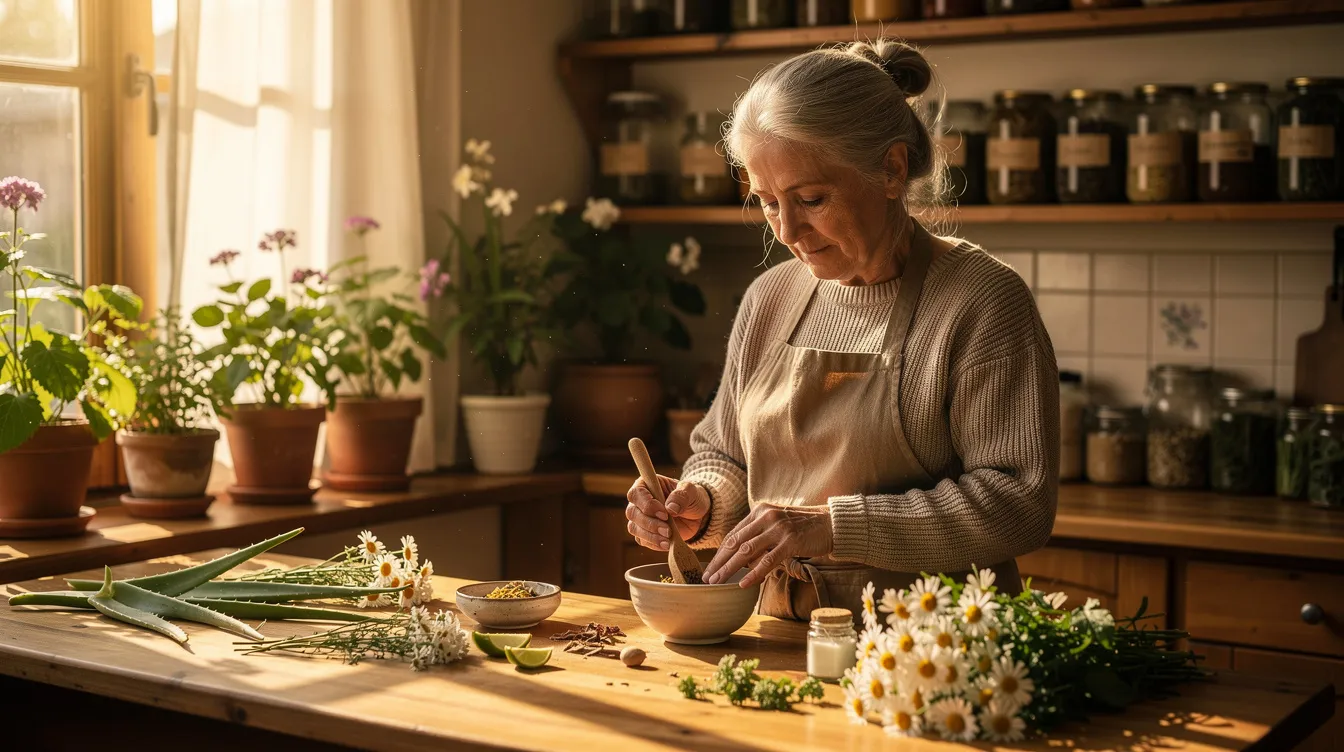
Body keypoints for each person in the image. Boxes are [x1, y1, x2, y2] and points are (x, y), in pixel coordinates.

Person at [625, 39, 1059, 620]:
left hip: (928, 650)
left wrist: (833, 527)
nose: (787, 230)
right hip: (778, 632)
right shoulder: (770, 299)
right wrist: (700, 503)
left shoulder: (980, 301)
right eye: (768, 203)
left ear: (891, 169)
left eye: (811, 198)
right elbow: (724, 454)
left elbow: (1017, 503)